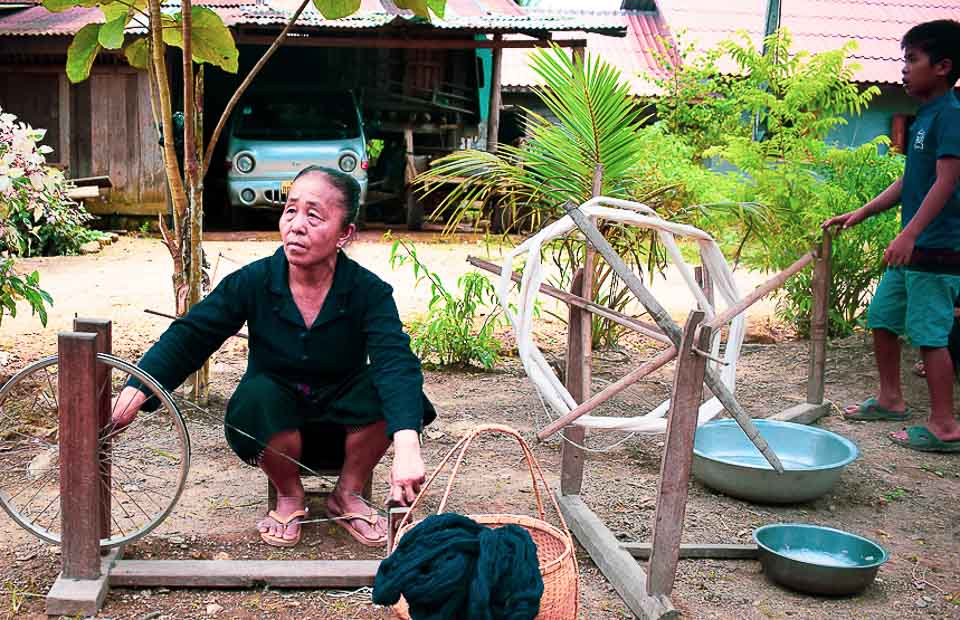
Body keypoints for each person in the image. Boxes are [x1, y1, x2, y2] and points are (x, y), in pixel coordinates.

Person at [112, 165, 436, 547]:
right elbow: (191, 336)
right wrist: (135, 393)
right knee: (258, 394)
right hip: (273, 430)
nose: (297, 225)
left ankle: (347, 493)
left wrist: (408, 447)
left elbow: (395, 361)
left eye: (314, 216)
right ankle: (288, 494)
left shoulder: (369, 291)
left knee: (399, 388)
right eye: (290, 211)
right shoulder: (253, 281)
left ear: (344, 234)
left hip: (346, 431)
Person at [823, 19, 960, 453]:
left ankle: (945, 426)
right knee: (882, 319)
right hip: (915, 246)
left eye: (911, 59)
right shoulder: (925, 118)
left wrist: (911, 235)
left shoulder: (952, 117)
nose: (903, 68)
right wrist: (861, 213)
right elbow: (910, 180)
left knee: (930, 337)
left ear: (942, 66)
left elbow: (947, 182)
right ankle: (891, 399)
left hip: (937, 249)